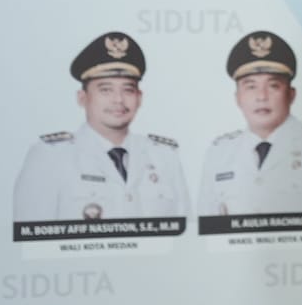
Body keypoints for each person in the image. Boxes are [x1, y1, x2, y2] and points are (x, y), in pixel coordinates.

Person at [11, 32, 188, 223]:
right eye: (106, 90)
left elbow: (186, 235)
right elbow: (30, 236)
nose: (118, 99)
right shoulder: (51, 158)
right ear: (82, 98)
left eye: (128, 90)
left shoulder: (164, 157)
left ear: (139, 98)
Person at [197, 31, 302, 219]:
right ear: (238, 98)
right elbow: (206, 226)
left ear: (291, 94)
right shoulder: (219, 153)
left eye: (273, 85)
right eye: (251, 86)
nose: (261, 96)